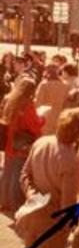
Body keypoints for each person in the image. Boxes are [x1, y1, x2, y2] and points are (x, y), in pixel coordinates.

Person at [18, 107, 79, 248]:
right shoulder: (70, 160)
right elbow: (67, 205)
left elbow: (24, 174)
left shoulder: (41, 142)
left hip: (32, 212)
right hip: (52, 223)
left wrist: (31, 193)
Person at [0, 78, 44, 213]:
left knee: (6, 172)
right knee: (17, 175)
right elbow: (34, 126)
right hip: (21, 144)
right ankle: (15, 206)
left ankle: (3, 201)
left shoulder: (9, 99)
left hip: (8, 141)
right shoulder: (27, 104)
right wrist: (43, 119)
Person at [35, 64, 70, 135]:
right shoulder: (65, 85)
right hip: (60, 116)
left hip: (45, 116)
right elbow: (67, 103)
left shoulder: (44, 85)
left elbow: (38, 102)